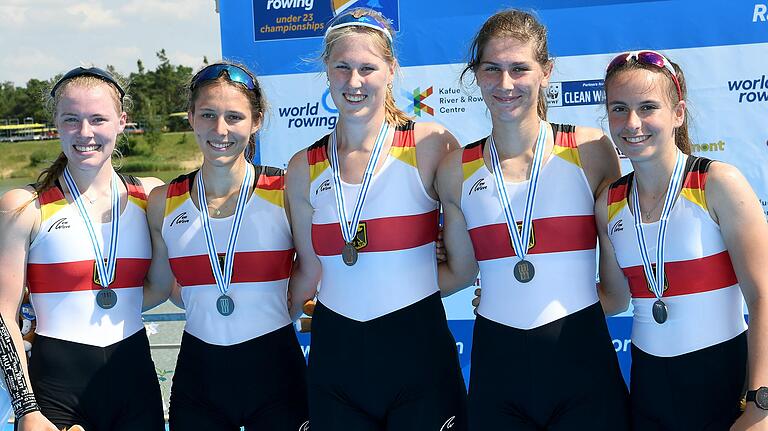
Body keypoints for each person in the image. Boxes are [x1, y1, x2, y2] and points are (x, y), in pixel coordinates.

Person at [435, 9, 631, 430]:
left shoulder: (591, 150)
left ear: (546, 72)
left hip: (583, 364)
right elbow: (461, 273)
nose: (505, 84)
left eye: (519, 69)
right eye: (492, 69)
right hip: (497, 369)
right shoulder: (455, 169)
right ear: (477, 75)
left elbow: (616, 295)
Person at [285, 7, 467, 430]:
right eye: (342, 67)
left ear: (391, 70)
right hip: (337, 355)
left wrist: (414, 274)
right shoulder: (303, 167)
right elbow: (310, 272)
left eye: (367, 68)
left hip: (418, 349)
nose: (353, 82)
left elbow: (463, 268)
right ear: (326, 71)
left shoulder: (430, 144)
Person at [598, 49, 768, 430]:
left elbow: (764, 297)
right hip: (649, 390)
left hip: (724, 383)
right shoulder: (608, 202)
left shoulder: (716, 183)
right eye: (619, 108)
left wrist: (761, 404)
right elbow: (613, 297)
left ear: (677, 114)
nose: (632, 122)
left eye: (647, 107)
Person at [144, 62, 309, 430]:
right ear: (191, 117)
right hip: (200, 379)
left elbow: (317, 264)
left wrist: (282, 306)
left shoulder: (285, 190)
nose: (220, 130)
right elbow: (161, 286)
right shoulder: (163, 201)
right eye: (208, 115)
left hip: (277, 373)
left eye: (234, 117)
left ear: (257, 121)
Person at [0, 67, 165, 431]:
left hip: (135, 385)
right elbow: (3, 315)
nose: (85, 133)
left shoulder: (151, 196)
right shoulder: (24, 206)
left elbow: (158, 288)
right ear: (56, 124)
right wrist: (26, 408)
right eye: (72, 120)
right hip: (54, 395)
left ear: (122, 121)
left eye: (98, 119)